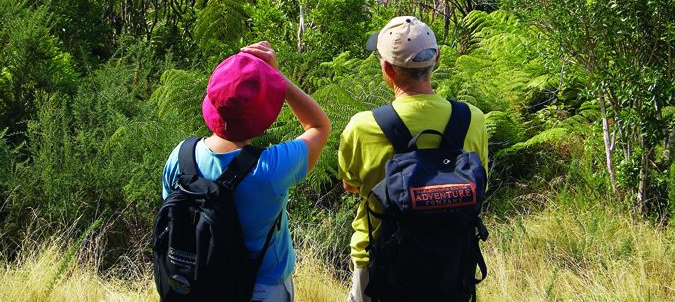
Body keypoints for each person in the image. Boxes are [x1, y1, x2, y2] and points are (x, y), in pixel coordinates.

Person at [162, 41, 331, 302]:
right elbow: (319, 126)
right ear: (261, 117)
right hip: (261, 288)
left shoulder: (181, 157)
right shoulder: (271, 169)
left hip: (195, 283)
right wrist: (276, 78)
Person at [338, 16, 489, 302]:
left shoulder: (363, 125)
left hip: (379, 259)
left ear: (386, 68)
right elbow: (480, 180)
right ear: (437, 59)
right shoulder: (472, 119)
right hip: (452, 261)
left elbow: (350, 184)